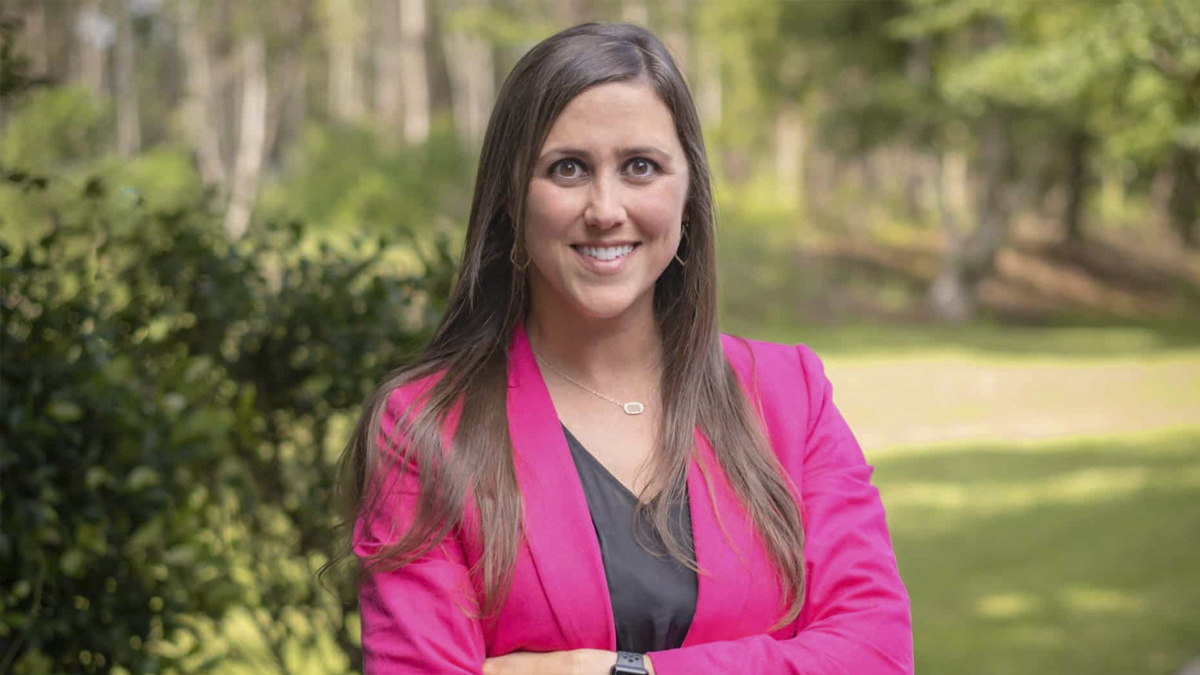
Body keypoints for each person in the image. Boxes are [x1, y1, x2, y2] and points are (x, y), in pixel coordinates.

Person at [334, 21, 912, 675]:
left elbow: (875, 654)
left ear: (688, 193)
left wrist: (619, 671)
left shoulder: (790, 394)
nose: (605, 208)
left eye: (640, 166)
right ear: (511, 201)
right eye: (568, 168)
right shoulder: (427, 427)